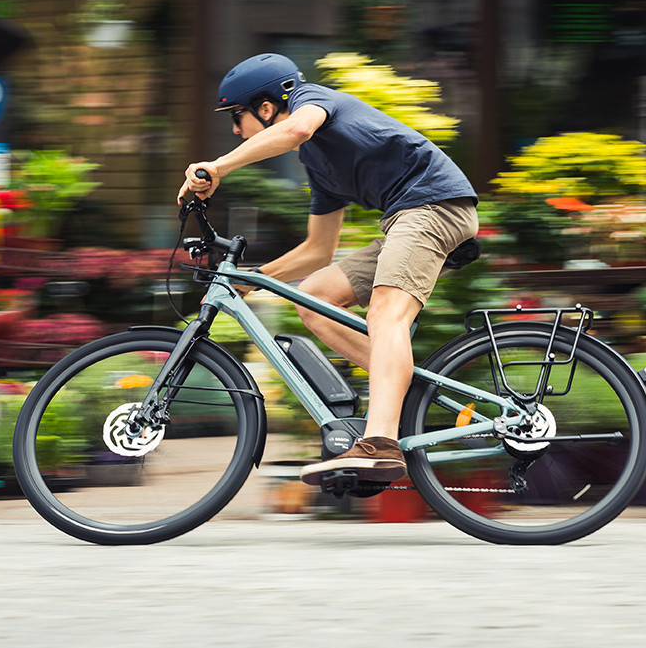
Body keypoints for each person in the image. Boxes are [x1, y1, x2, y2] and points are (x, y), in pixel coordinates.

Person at [177, 53, 478, 485]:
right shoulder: (317, 163)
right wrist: (254, 281)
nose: (234, 129)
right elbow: (319, 250)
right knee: (315, 295)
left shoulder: (312, 100)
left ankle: (379, 445)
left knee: (385, 313)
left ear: (266, 107)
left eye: (237, 116)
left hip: (432, 206)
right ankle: (401, 394)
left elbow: (296, 127)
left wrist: (218, 167)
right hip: (407, 219)